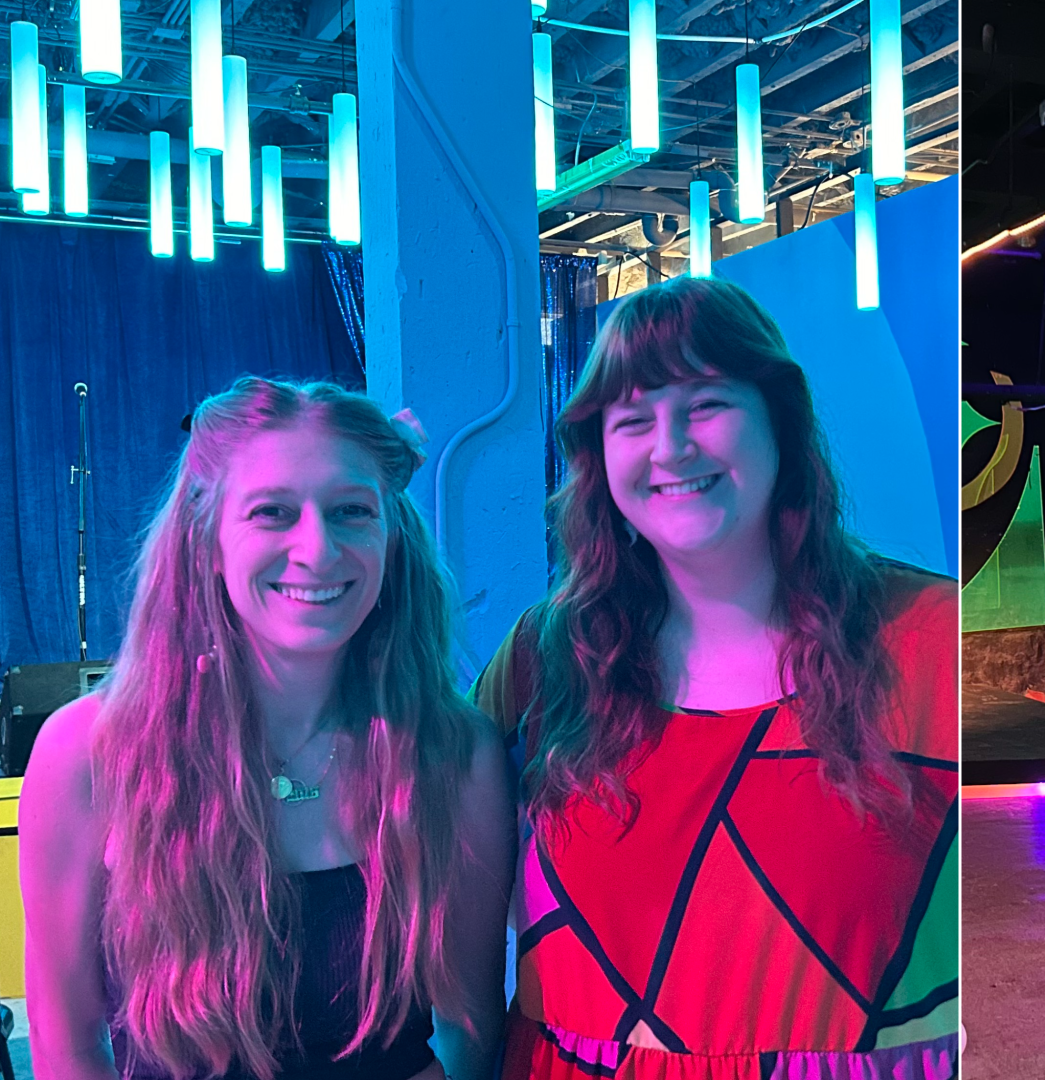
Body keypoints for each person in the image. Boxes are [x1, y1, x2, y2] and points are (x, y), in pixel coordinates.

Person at [471, 276, 958, 1080]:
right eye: (633, 420)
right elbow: (407, 843)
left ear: (779, 420)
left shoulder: (930, 642)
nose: (670, 447)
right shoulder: (543, 660)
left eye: (705, 405)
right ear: (599, 460)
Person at [20, 378, 515, 1080]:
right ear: (208, 543)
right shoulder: (89, 752)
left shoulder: (455, 754)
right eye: (273, 513)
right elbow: (66, 1047)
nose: (318, 549)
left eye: (351, 511)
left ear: (390, 539)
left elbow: (473, 1030)